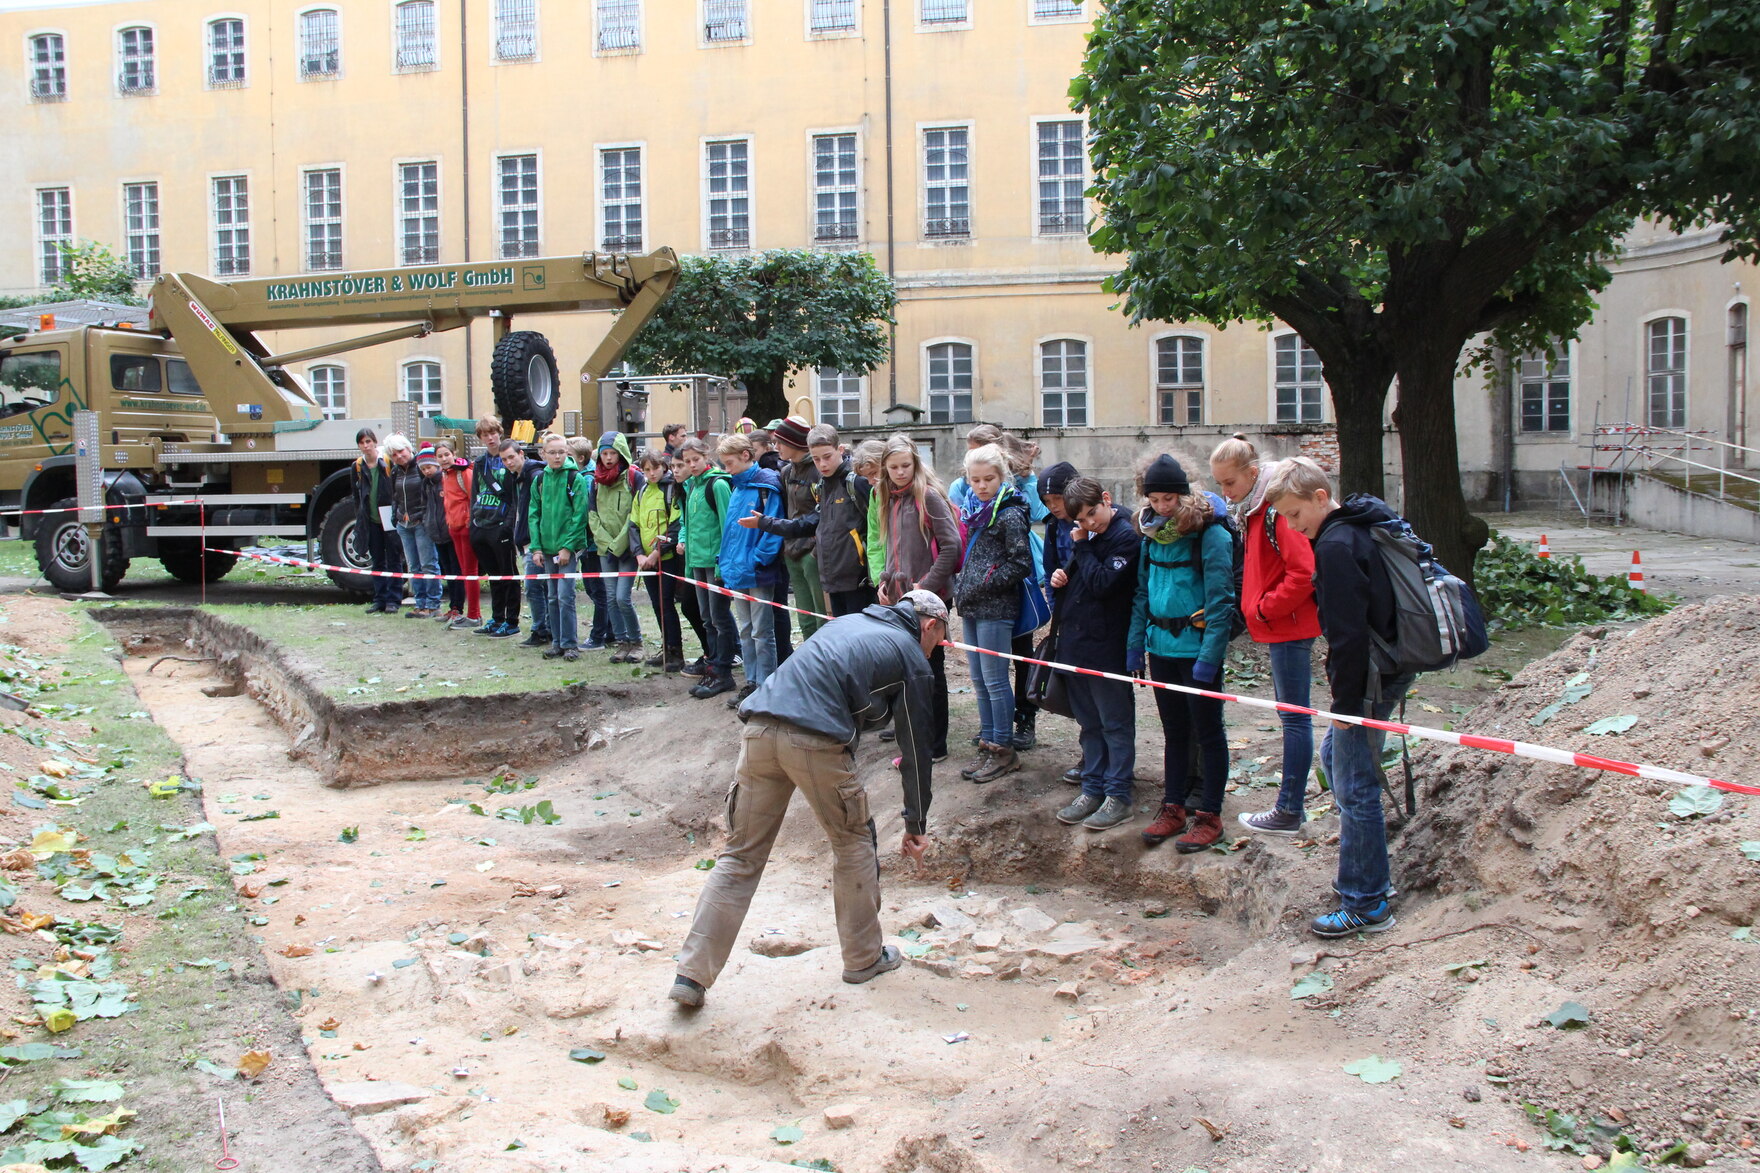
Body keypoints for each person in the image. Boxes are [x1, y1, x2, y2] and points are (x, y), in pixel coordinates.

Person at [668, 589, 948, 1009]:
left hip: (758, 728)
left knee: (740, 855)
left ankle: (691, 975)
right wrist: (916, 825)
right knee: (853, 841)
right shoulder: (910, 654)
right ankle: (864, 958)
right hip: (816, 741)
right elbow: (916, 748)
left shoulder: (850, 621)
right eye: (939, 639)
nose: (936, 649)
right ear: (928, 625)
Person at [1263, 457, 1407, 937]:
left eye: (1296, 516)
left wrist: (1346, 709)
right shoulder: (1358, 524)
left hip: (1372, 676)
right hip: (1385, 667)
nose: (1294, 527)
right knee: (1336, 757)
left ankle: (1366, 901)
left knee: (1353, 785)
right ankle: (1368, 877)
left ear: (1321, 498)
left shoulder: (1339, 545)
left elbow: (1348, 636)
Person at [1210, 435, 1322, 837]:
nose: (1225, 492)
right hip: (1279, 626)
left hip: (1289, 626)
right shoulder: (1253, 508)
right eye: (1219, 484)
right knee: (1291, 716)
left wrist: (1262, 607)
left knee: (1294, 719)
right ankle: (1291, 807)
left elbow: (1303, 571)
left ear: (1252, 474)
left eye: (1229, 483)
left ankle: (1289, 809)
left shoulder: (1275, 509)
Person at [1128, 455, 1235, 852]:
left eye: (1169, 498)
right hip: (1161, 648)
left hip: (1197, 651)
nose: (1162, 507)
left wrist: (1210, 656)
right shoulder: (1150, 535)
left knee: (1208, 732)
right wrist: (1135, 647)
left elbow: (1222, 602)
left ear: (1185, 494)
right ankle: (1173, 807)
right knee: (1174, 732)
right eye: (1154, 499)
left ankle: (1209, 814)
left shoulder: (1211, 534)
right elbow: (1142, 594)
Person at [1049, 476, 1140, 831]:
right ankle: (1093, 786)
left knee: (1114, 723)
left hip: (1106, 648)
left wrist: (1082, 546)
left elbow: (1103, 583)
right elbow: (1083, 580)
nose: (1089, 524)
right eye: (1081, 521)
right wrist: (1061, 577)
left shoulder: (1125, 535)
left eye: (1092, 514)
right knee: (1089, 724)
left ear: (1106, 499)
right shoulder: (1088, 537)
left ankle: (1118, 794)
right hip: (1075, 644)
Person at [873, 433, 960, 764]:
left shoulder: (929, 497)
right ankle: (914, 740)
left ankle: (935, 745)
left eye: (905, 465)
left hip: (929, 600)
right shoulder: (890, 498)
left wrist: (924, 588)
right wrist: (885, 581)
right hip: (901, 599)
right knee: (908, 671)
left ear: (915, 463)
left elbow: (951, 547)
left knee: (929, 671)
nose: (900, 472)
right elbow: (895, 549)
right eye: (893, 467)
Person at [952, 442, 1032, 784]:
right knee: (979, 680)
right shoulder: (974, 509)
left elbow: (1021, 563)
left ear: (1002, 477)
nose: (982, 486)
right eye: (975, 480)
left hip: (996, 608)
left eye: (988, 479)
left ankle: (1003, 748)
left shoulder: (1010, 512)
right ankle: (988, 742)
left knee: (997, 680)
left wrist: (985, 582)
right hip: (971, 606)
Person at [718, 433, 786, 705]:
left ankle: (766, 685)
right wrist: (725, 561)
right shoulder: (737, 487)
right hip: (737, 569)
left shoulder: (765, 485)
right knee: (745, 629)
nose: (726, 469)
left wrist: (759, 558)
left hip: (757, 570)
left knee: (761, 630)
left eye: (729, 463)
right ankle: (751, 682)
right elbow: (731, 530)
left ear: (746, 456)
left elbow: (774, 526)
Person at [631, 448, 705, 672]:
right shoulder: (642, 492)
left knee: (667, 605)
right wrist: (639, 554)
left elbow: (675, 525)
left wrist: (656, 553)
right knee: (656, 604)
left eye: (655, 468)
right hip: (647, 561)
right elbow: (633, 524)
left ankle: (676, 651)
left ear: (664, 467)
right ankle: (666, 645)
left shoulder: (673, 490)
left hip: (668, 559)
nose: (652, 473)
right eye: (646, 470)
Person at [676, 437, 738, 699]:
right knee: (706, 618)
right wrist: (689, 565)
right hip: (698, 562)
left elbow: (728, 526)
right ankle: (712, 665)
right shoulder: (691, 487)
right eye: (687, 461)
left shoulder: (718, 484)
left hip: (715, 562)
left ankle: (723, 671)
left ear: (706, 456)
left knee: (719, 618)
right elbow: (689, 528)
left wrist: (724, 565)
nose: (691, 465)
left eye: (695, 460)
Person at [1037, 461, 1083, 785]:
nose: (1054, 507)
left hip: (1095, 620)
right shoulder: (1053, 527)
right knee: (1079, 693)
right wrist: (1056, 608)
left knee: (1099, 695)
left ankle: (1104, 760)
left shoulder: (1090, 522)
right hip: (1067, 618)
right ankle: (1088, 754)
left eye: (1058, 500)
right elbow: (1049, 568)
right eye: (1048, 502)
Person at [527, 433, 589, 661]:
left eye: (561, 452)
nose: (557, 456)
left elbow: (579, 515)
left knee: (565, 595)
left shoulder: (576, 479)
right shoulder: (539, 480)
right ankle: (557, 642)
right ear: (543, 454)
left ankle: (570, 643)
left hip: (567, 549)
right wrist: (536, 548)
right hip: (546, 547)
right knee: (552, 596)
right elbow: (533, 514)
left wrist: (567, 547)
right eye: (552, 452)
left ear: (567, 453)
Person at [587, 431, 647, 663]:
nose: (609, 458)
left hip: (627, 548)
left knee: (623, 597)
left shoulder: (634, 477)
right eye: (604, 454)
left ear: (621, 454)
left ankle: (637, 641)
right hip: (605, 549)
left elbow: (635, 513)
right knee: (611, 597)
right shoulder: (595, 480)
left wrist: (619, 544)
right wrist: (605, 542)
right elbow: (592, 514)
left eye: (613, 453)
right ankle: (622, 643)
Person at [769, 415, 828, 642]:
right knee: (805, 618)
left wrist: (814, 548)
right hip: (792, 551)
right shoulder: (786, 472)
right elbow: (788, 510)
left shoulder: (818, 470)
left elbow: (821, 513)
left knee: (822, 616)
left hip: (813, 553)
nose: (776, 447)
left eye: (780, 442)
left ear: (794, 443)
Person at [468, 436, 526, 638]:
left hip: (502, 527)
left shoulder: (516, 471)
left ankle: (512, 621)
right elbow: (474, 492)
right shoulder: (481, 463)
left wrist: (507, 526)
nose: (489, 437)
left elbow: (514, 500)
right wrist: (472, 523)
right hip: (481, 524)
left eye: (493, 432)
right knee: (494, 577)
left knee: (508, 575)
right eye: (485, 434)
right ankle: (497, 617)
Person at [386, 435, 445, 619]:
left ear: (408, 448)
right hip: (403, 524)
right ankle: (420, 604)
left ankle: (433, 604)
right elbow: (394, 496)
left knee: (428, 564)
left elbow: (431, 495)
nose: (398, 456)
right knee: (413, 566)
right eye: (393, 454)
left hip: (421, 523)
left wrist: (422, 517)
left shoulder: (422, 467)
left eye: (401, 451)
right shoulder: (396, 472)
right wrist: (396, 516)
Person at [351, 428, 406, 615]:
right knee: (377, 560)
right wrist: (360, 517)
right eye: (362, 442)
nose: (366, 446)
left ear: (375, 442)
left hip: (389, 517)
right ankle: (379, 599)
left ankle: (394, 599)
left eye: (368, 441)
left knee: (394, 559)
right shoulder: (357, 466)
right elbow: (356, 495)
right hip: (371, 519)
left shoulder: (387, 462)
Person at [568, 435, 614, 652]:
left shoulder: (587, 479)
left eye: (568, 456)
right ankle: (611, 630)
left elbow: (586, 513)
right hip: (587, 543)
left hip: (593, 544)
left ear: (581, 458)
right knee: (595, 590)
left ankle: (598, 635)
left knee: (598, 591)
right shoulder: (582, 476)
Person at [433, 439, 482, 630]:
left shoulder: (465, 473)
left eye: (447, 454)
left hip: (466, 528)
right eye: (440, 456)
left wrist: (469, 520)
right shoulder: (444, 475)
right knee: (463, 573)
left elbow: (474, 498)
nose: (444, 459)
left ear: (454, 454)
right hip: (454, 528)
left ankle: (474, 615)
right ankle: (464, 612)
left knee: (470, 573)